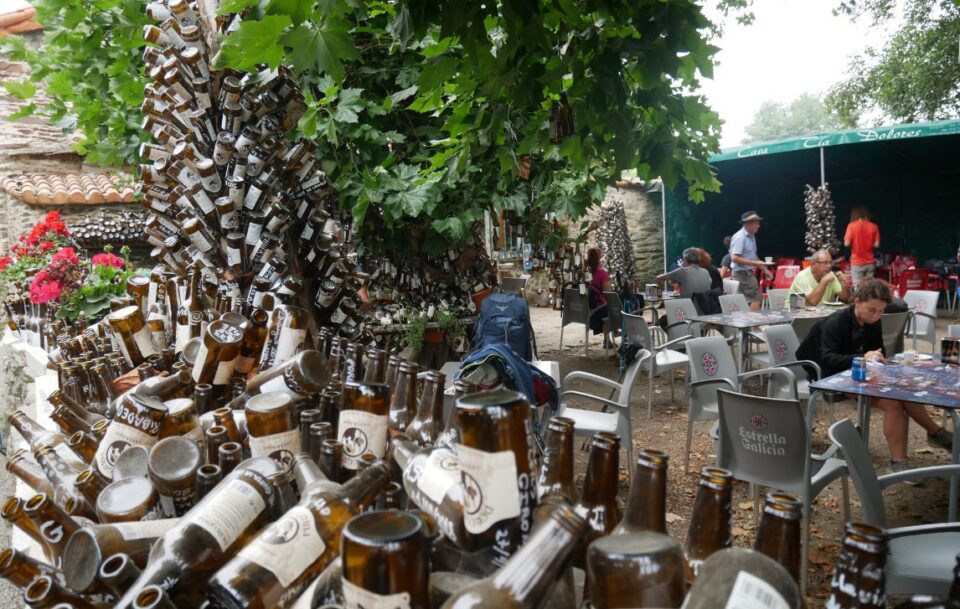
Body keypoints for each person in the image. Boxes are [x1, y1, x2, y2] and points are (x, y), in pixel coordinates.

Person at [796, 278, 953, 475]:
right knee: (894, 403)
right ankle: (903, 460)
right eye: (872, 310)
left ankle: (935, 434)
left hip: (860, 371)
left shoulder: (873, 321)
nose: (876, 315)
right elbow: (828, 359)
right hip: (828, 375)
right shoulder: (836, 322)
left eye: (881, 311)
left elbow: (878, 350)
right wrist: (864, 357)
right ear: (857, 301)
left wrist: (880, 358)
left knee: (906, 391)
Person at [729, 211, 773, 311]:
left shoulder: (751, 236)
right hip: (742, 274)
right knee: (757, 298)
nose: (759, 225)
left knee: (745, 301)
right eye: (756, 223)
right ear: (748, 224)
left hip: (744, 273)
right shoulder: (740, 237)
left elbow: (753, 257)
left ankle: (746, 324)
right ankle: (753, 325)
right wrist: (755, 263)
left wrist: (765, 270)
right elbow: (735, 258)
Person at [788, 249, 853, 306]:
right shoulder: (802, 276)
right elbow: (813, 301)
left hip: (818, 315)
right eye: (825, 263)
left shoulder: (830, 275)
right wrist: (824, 281)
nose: (829, 266)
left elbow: (845, 298)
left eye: (830, 263)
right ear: (813, 264)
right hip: (795, 315)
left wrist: (843, 284)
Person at [843, 206, 880, 289]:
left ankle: (859, 302)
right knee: (869, 287)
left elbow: (846, 243)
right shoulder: (874, 226)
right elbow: (877, 245)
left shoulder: (851, 226)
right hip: (870, 261)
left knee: (857, 287)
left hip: (857, 262)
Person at [585, 247, 613, 348]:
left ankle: (609, 338)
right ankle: (608, 339)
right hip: (598, 312)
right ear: (599, 258)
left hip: (584, 313)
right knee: (611, 307)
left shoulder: (583, 273)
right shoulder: (602, 273)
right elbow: (607, 293)